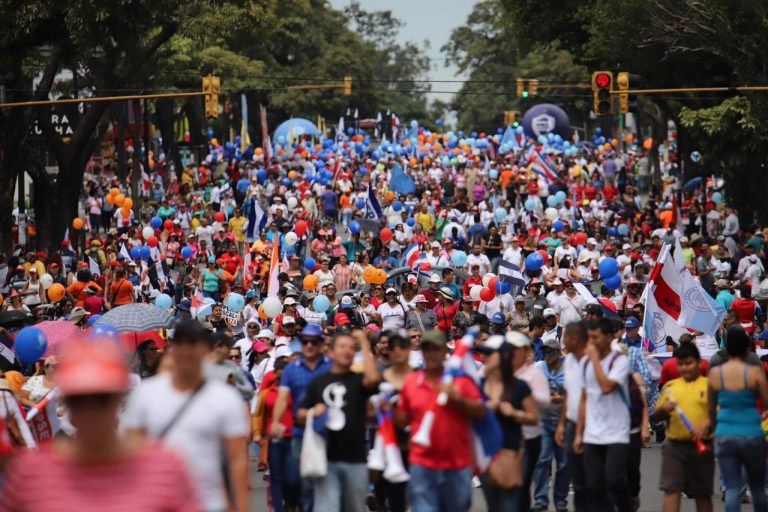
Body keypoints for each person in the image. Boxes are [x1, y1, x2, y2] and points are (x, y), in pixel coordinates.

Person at [1, 340, 201, 512]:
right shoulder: (30, 474)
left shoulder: (165, 467)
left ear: (118, 399)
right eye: (79, 400)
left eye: (101, 398)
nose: (91, 411)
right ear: (67, 403)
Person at [123, 320, 251, 512]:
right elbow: (132, 453)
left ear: (205, 349)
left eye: (193, 344)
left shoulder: (225, 397)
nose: (186, 351)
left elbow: (237, 459)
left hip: (210, 503)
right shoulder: (145, 395)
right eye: (180, 344)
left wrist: (240, 507)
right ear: (172, 348)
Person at [395, 329, 485, 512]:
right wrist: (387, 408)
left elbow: (480, 413)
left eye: (436, 349)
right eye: (427, 349)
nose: (431, 354)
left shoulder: (461, 381)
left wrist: (457, 398)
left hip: (457, 464)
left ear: (445, 351)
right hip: (422, 464)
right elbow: (402, 420)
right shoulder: (412, 382)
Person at [298, 330, 379, 512]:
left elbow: (373, 379)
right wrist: (313, 412)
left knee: (355, 508)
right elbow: (300, 414)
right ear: (331, 352)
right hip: (326, 459)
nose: (347, 351)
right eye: (342, 346)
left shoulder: (359, 380)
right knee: (328, 508)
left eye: (351, 348)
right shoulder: (319, 382)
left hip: (356, 459)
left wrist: (364, 344)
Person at [269, 324, 332, 512]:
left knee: (324, 481)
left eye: (314, 342)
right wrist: (275, 421)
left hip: (326, 432)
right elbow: (282, 398)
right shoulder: (291, 370)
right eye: (305, 342)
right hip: (300, 431)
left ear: (321, 344)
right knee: (296, 481)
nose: (310, 346)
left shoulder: (330, 367)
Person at [707, 325, 768, 512]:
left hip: (725, 434)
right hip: (752, 433)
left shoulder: (716, 374)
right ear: (746, 348)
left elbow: (710, 409)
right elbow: (766, 403)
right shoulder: (755, 372)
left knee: (732, 489)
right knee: (758, 489)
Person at [476, 333, 539, 510]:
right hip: (485, 457)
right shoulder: (478, 385)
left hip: (510, 455)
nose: (484, 357)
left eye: (489, 353)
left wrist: (514, 413)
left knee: (510, 506)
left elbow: (534, 417)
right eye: (483, 353)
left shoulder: (519, 386)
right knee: (494, 507)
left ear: (503, 356)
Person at [574, 318, 632, 512]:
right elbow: (584, 398)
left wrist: (595, 360)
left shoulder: (620, 361)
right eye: (589, 338)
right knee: (594, 485)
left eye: (595, 338)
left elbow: (607, 387)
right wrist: (579, 433)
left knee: (614, 479)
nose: (591, 343)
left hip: (617, 430)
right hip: (593, 431)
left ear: (609, 337)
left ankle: (626, 508)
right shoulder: (585, 364)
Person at [651, 342, 714, 512]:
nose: (685, 368)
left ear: (699, 362)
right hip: (675, 445)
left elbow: (720, 412)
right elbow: (656, 416)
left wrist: (706, 423)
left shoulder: (709, 385)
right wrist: (663, 410)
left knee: (703, 493)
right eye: (681, 365)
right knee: (672, 490)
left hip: (703, 445)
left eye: (689, 363)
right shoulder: (670, 387)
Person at [555, 321, 590, 512]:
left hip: (591, 428)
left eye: (565, 337)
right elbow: (569, 394)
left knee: (592, 479)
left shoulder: (592, 362)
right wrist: (562, 424)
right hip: (571, 424)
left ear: (574, 338)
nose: (563, 342)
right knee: (577, 479)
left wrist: (579, 432)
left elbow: (587, 397)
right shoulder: (568, 361)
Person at [532, 338, 568, 512]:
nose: (547, 356)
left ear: (558, 354)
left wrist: (563, 398)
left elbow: (573, 394)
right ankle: (540, 499)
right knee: (542, 461)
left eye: (551, 352)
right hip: (543, 421)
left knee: (563, 463)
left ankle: (560, 499)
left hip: (562, 421)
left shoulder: (567, 370)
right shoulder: (539, 368)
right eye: (545, 352)